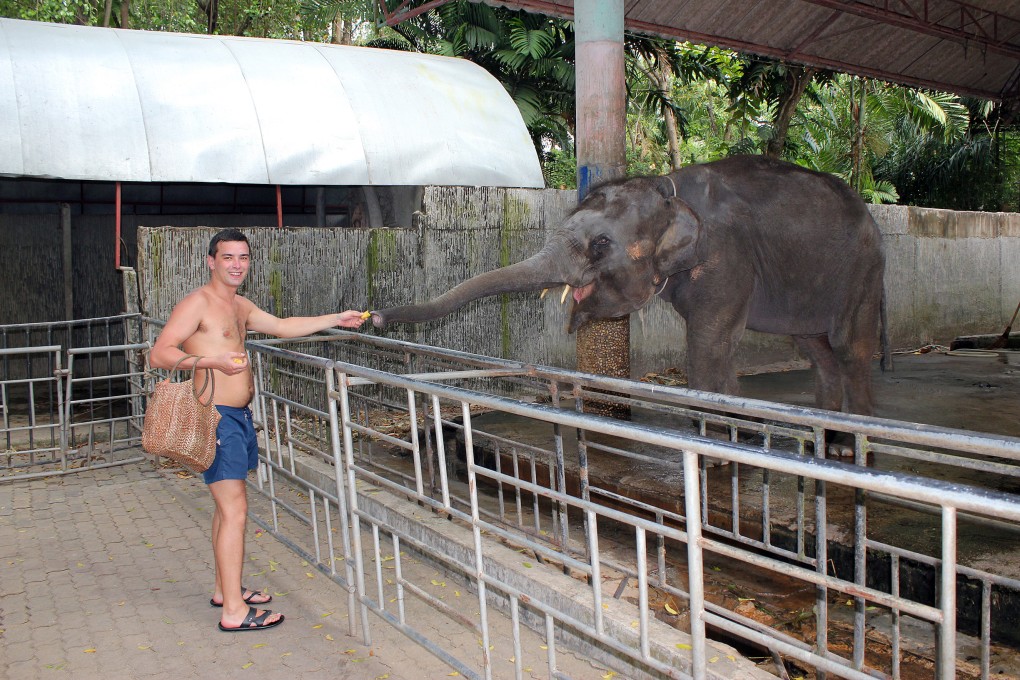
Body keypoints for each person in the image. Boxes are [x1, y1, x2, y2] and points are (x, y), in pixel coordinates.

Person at [150, 228, 366, 632]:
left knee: (225, 508)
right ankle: (234, 611)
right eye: (228, 257)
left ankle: (224, 589)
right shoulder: (198, 303)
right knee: (236, 511)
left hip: (239, 418)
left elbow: (283, 326)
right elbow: (159, 353)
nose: (236, 265)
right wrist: (212, 364)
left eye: (243, 258)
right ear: (211, 261)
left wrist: (336, 318)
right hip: (215, 418)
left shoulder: (240, 305)